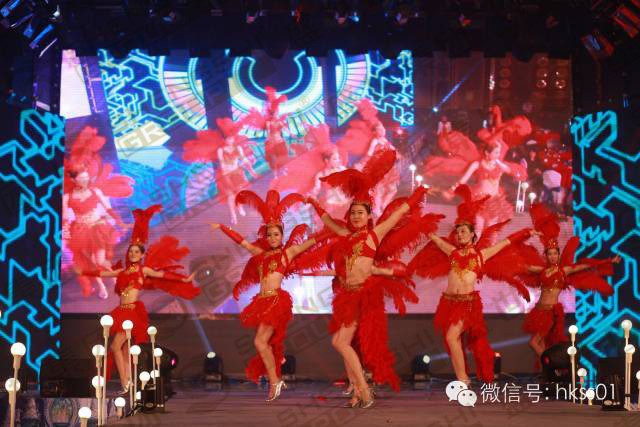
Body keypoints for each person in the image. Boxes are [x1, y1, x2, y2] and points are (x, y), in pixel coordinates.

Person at [307, 148, 440, 408]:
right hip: (346, 294)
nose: (356, 216)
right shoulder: (346, 236)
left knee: (341, 342)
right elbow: (328, 222)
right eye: (353, 213)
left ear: (369, 216)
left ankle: (364, 391)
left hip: (362, 295)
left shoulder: (374, 234)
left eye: (361, 212)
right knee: (345, 344)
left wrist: (419, 194)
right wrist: (314, 204)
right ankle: (358, 391)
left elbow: (399, 214)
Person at [211, 190, 333, 402]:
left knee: (260, 342)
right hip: (262, 301)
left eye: (276, 234)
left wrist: (330, 231)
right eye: (269, 235)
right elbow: (242, 242)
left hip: (276, 301)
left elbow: (312, 241)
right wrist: (223, 228)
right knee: (263, 343)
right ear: (265, 237)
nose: (273, 238)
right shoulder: (261, 254)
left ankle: (275, 380)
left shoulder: (287, 253)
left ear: (282, 235)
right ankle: (276, 373)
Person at [409, 184, 535, 385]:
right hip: (449, 303)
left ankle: (463, 379)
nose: (459, 235)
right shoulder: (452, 252)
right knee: (453, 340)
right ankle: (463, 378)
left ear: (472, 235)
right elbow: (433, 237)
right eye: (457, 232)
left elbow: (506, 242)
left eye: (463, 232)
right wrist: (417, 220)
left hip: (467, 304)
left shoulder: (481, 255)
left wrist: (527, 232)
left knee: (452, 337)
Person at [82, 205, 199, 393]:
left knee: (115, 346)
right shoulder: (122, 271)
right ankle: (128, 383)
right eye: (131, 251)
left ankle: (125, 383)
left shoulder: (144, 270)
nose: (133, 254)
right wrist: (84, 272)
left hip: (132, 313)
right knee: (123, 349)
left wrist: (184, 279)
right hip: (121, 311)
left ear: (142, 254)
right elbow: (103, 273)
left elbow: (163, 275)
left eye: (137, 252)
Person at [518, 203, 619, 365]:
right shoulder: (542, 270)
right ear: (546, 256)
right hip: (539, 311)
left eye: (555, 254)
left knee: (534, 343)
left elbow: (585, 265)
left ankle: (551, 366)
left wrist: (609, 261)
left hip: (551, 312)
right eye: (549, 254)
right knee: (541, 343)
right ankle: (549, 370)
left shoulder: (564, 270)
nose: (552, 256)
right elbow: (524, 266)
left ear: (558, 255)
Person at [63, 126, 134, 299]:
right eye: (81, 178)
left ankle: (116, 279)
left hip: (97, 228)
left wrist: (121, 223)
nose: (85, 179)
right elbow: (65, 218)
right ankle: (102, 286)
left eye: (86, 176)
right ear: (73, 179)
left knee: (99, 260)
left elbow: (108, 209)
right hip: (80, 232)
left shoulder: (95, 191)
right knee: (89, 263)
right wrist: (65, 233)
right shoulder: (67, 197)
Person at [182, 117, 258, 224]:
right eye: (228, 138)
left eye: (231, 138)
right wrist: (226, 175)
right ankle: (233, 215)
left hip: (237, 173)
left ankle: (240, 207)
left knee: (239, 193)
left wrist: (251, 170)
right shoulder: (221, 150)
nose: (230, 140)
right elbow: (222, 164)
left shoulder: (238, 148)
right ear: (225, 139)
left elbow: (244, 159)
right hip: (226, 174)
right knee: (231, 195)